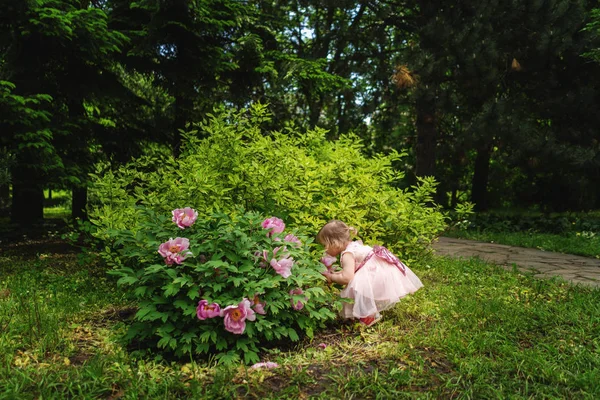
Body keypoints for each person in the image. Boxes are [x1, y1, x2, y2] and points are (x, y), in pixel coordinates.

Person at [316, 220, 423, 326]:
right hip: (383, 270)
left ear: (334, 243)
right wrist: (337, 273)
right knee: (358, 284)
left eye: (325, 245)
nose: (324, 250)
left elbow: (346, 278)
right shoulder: (353, 246)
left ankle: (369, 316)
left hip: (375, 274)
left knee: (355, 287)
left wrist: (331, 277)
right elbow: (349, 271)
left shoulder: (347, 254)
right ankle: (368, 313)